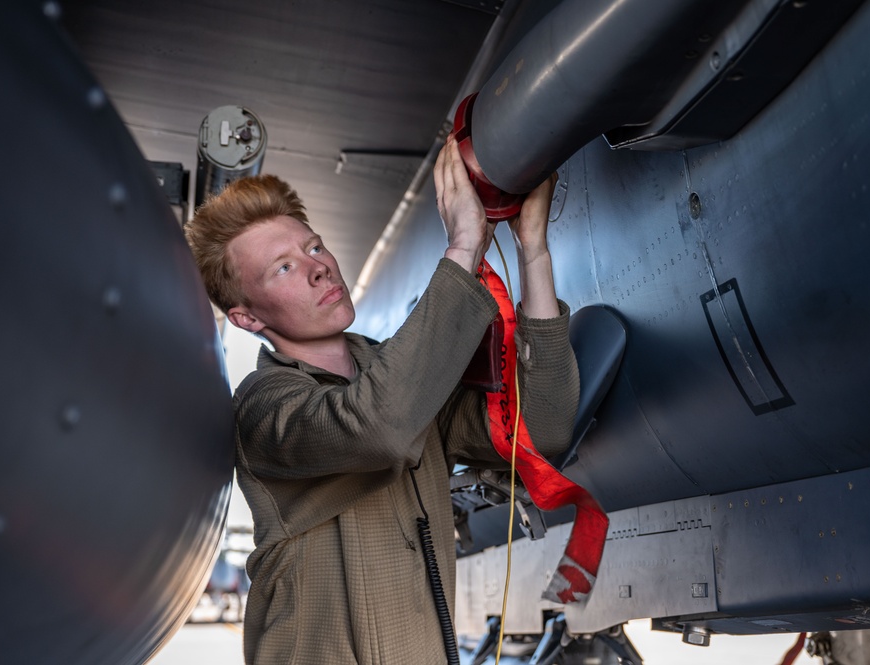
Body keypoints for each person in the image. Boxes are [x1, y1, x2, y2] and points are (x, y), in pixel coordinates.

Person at [184, 135, 580, 665]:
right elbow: (378, 425)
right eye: (282, 268)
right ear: (248, 319)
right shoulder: (263, 412)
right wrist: (463, 248)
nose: (318, 267)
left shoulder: (406, 382)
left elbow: (541, 430)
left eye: (314, 247)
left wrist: (535, 251)